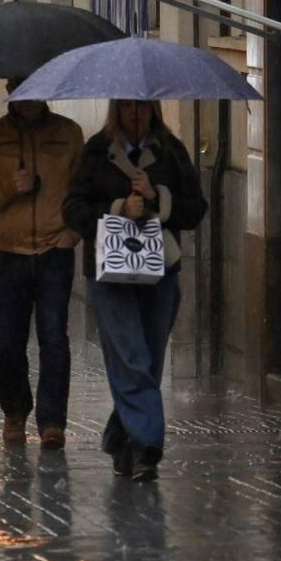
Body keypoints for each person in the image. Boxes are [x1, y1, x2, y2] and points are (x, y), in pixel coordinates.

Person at [62, 100, 207, 482]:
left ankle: (119, 437)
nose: (135, 115)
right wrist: (116, 208)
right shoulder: (96, 151)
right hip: (110, 273)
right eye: (127, 107)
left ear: (153, 109)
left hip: (159, 271)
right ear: (116, 111)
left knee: (149, 356)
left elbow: (195, 210)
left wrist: (159, 198)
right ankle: (147, 445)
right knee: (130, 353)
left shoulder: (171, 152)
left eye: (142, 107)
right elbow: (72, 209)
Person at [0, 82, 85, 449]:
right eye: (21, 92)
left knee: (53, 338)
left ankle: (52, 422)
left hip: (54, 251)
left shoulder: (68, 134)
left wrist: (75, 231)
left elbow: (85, 189)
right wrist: (6, 188)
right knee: (10, 341)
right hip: (8, 252)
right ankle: (14, 413)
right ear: (11, 93)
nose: (29, 99)